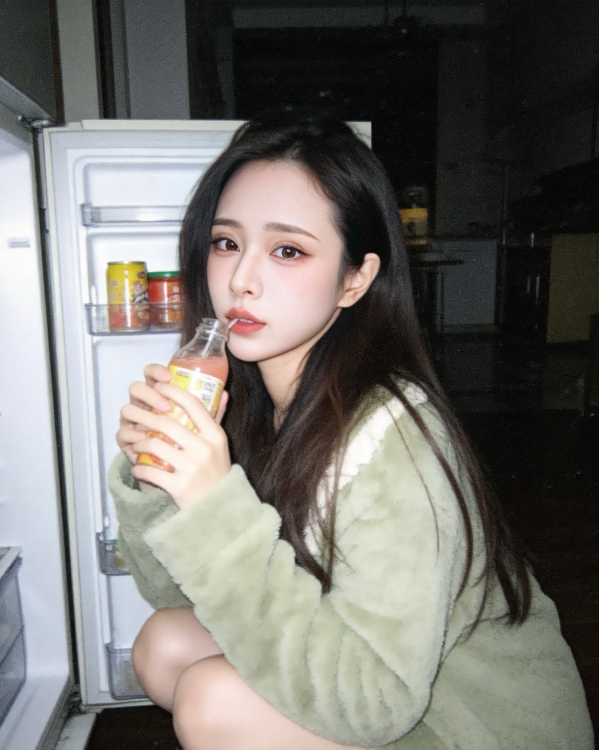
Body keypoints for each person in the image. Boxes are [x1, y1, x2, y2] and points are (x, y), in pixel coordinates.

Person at [108, 115, 593, 750]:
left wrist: (212, 503)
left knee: (211, 700)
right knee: (164, 643)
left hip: (470, 724)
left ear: (355, 279)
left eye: (287, 250)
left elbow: (377, 703)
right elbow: (182, 594)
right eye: (226, 242)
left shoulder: (394, 436)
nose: (240, 278)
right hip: (370, 682)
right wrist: (157, 484)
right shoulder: (249, 402)